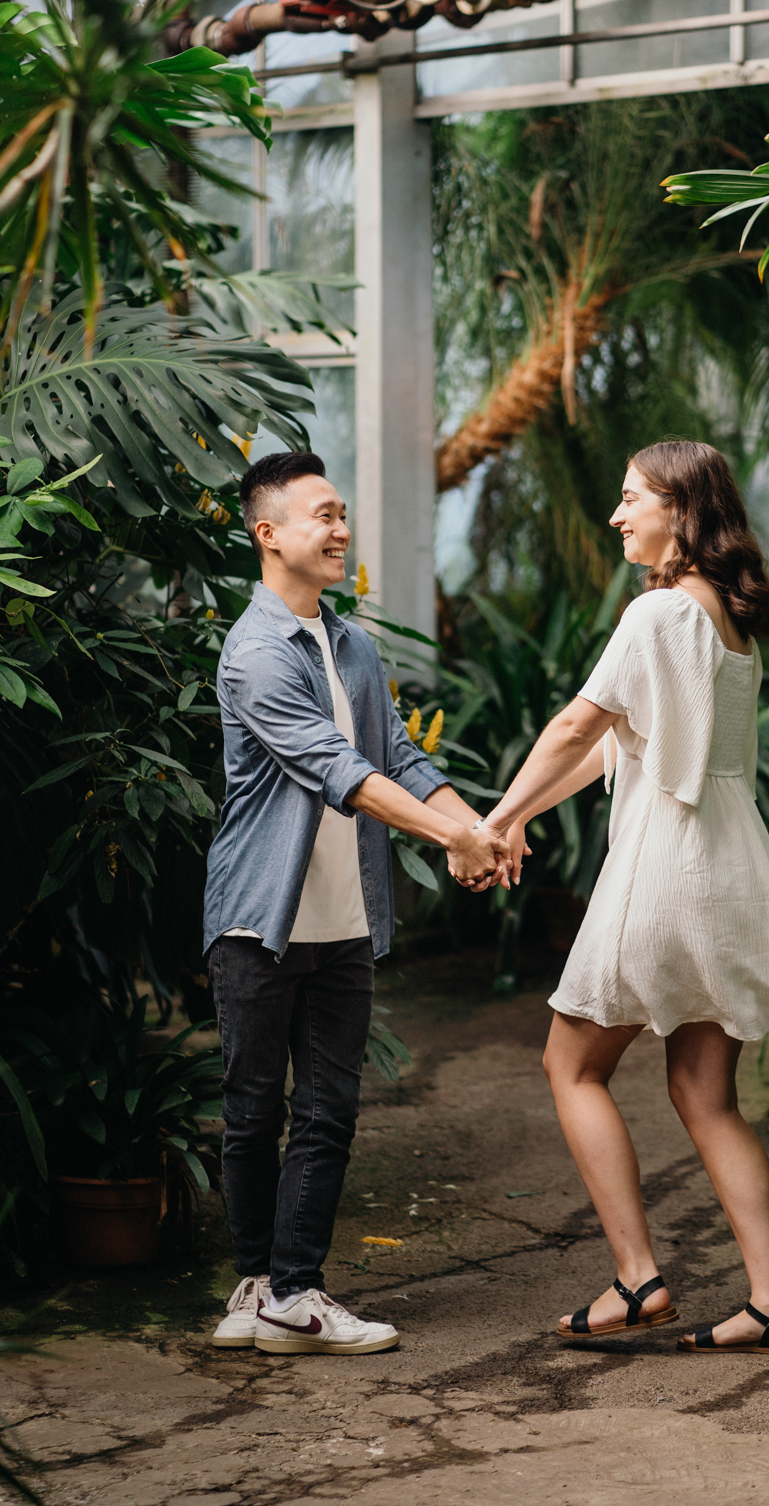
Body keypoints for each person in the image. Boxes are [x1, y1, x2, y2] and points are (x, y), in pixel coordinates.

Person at [473, 440, 769, 1356]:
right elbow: (606, 751)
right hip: (733, 874)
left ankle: (637, 1276)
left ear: (682, 511)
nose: (618, 516)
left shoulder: (658, 615)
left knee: (570, 1065)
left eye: (632, 499)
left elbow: (577, 723)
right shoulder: (728, 623)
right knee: (708, 1096)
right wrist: (514, 818)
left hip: (665, 871)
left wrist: (492, 821)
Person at [205, 450, 510, 1357]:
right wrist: (449, 840)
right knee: (254, 1113)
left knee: (329, 1113)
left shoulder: (354, 646)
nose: (341, 531)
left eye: (343, 515)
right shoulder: (255, 652)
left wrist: (480, 823)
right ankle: (267, 1285)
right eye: (322, 516)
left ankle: (288, 1289)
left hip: (342, 921)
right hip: (259, 919)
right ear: (269, 535)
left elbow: (402, 761)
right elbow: (342, 773)